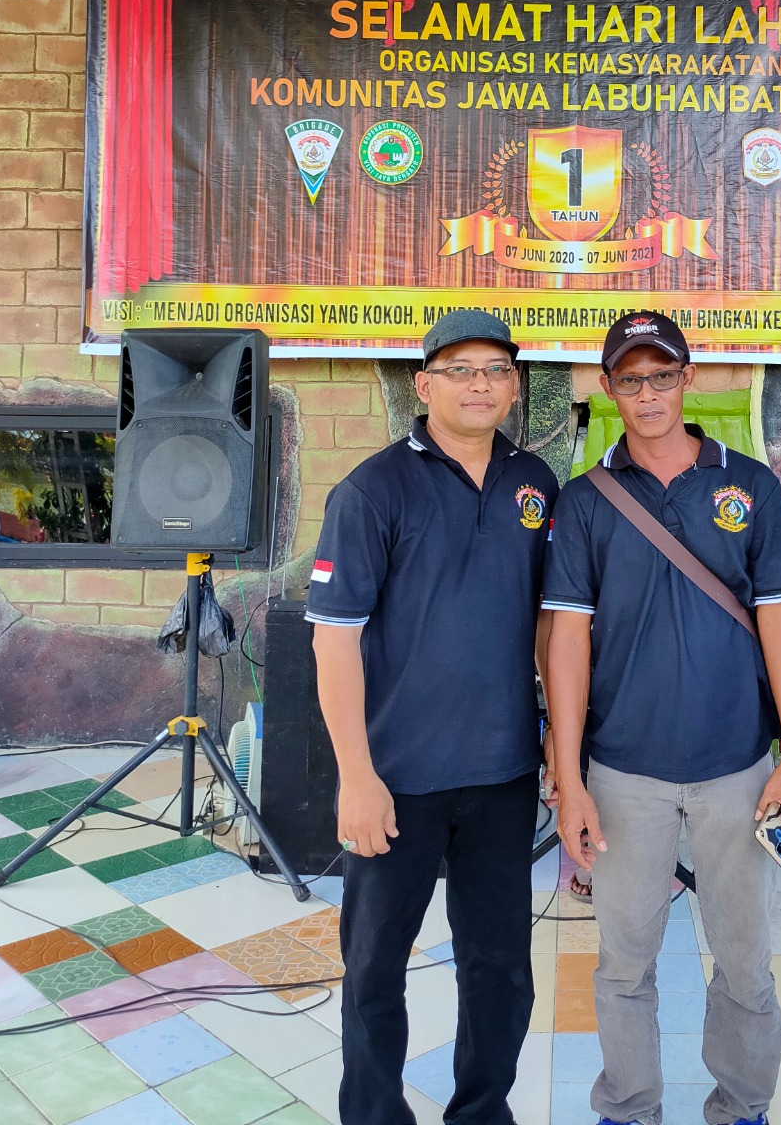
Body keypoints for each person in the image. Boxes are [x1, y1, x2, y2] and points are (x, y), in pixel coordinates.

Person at [544, 310, 781, 1125]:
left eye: (661, 376)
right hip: (622, 772)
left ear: (686, 379)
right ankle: (630, 1106)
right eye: (631, 380)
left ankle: (742, 1105)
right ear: (609, 389)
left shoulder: (751, 486)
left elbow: (779, 621)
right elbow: (567, 642)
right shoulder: (585, 502)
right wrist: (568, 776)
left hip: (737, 767)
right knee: (623, 962)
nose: (648, 394)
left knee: (745, 961)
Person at [307, 308, 559, 1125]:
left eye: (495, 370)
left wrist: (557, 744)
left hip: (503, 776)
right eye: (460, 370)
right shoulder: (372, 490)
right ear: (424, 386)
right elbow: (334, 643)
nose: (479, 384)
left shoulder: (535, 483)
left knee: (500, 969)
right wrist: (356, 778)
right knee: (374, 969)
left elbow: (550, 626)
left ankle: (482, 1112)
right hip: (398, 780)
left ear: (514, 387)